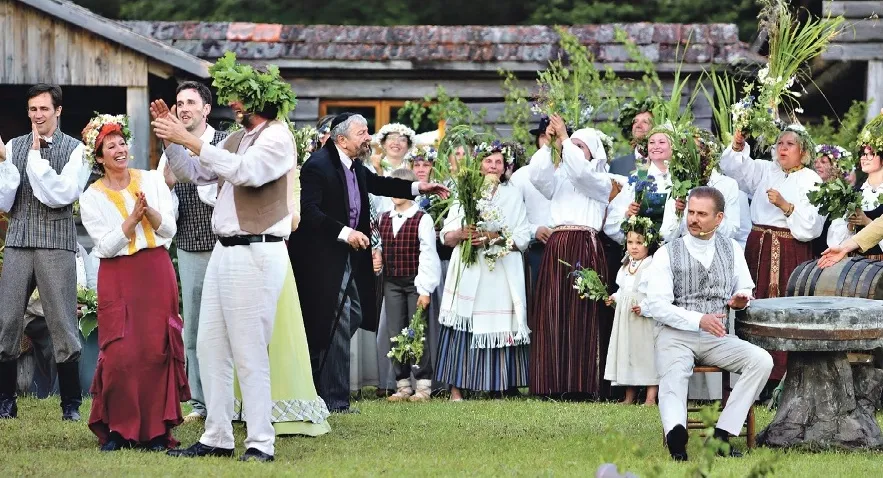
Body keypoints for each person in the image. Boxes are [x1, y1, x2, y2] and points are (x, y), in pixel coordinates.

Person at [152, 52, 299, 463]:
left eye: (238, 97)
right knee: (212, 345)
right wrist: (171, 137)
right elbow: (195, 172)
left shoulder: (276, 137)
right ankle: (217, 435)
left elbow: (245, 172)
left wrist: (192, 140)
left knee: (249, 349)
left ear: (261, 100)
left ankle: (260, 442)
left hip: (257, 250)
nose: (232, 103)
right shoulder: (237, 136)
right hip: (224, 250)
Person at [289, 113, 448, 413]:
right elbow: (308, 211)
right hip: (321, 260)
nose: (368, 138)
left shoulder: (356, 166)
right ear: (341, 139)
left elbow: (379, 183)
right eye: (362, 133)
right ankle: (334, 401)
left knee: (352, 316)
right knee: (336, 324)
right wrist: (345, 233)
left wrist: (418, 188)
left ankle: (320, 378)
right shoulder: (317, 165)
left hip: (348, 258)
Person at [78, 114, 188, 451]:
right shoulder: (91, 197)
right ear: (99, 157)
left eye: (122, 143)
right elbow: (105, 246)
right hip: (118, 275)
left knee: (156, 351)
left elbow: (168, 228)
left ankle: (156, 431)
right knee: (120, 353)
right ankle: (120, 430)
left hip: (155, 271)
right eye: (110, 146)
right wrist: (131, 220)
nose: (120, 150)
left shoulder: (151, 180)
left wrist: (149, 213)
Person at [639, 186, 773, 461]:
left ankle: (722, 434)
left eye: (702, 214)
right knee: (674, 374)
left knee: (761, 361)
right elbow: (658, 306)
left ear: (719, 218)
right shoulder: (667, 253)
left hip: (718, 337)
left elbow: (746, 288)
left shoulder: (732, 249)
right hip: (675, 335)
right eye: (691, 212)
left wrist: (741, 300)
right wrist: (699, 319)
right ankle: (676, 438)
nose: (693, 219)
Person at [0, 83, 89, 421]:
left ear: (58, 111)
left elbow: (61, 195)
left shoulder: (76, 149)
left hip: (56, 241)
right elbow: (5, 201)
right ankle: (6, 399)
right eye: (33, 109)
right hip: (20, 238)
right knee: (7, 319)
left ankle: (70, 404)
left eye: (44, 109)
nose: (38, 115)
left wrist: (35, 157)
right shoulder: (12, 146)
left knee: (63, 322)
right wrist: (4, 163)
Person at [720, 125, 824, 383]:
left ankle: (783, 376)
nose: (783, 148)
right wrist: (738, 143)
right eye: (780, 144)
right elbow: (735, 169)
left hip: (790, 247)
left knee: (785, 307)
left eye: (790, 144)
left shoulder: (811, 180)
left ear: (804, 151)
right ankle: (751, 370)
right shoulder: (767, 170)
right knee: (753, 300)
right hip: (759, 246)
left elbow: (812, 226)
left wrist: (785, 206)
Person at [157, 81, 228, 423]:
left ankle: (235, 400)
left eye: (190, 102)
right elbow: (163, 205)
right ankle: (201, 403)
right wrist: (168, 186)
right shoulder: (169, 151)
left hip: (226, 246)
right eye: (179, 103)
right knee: (196, 328)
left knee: (231, 325)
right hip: (189, 246)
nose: (183, 108)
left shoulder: (224, 142)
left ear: (206, 109)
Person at [527, 116, 614, 398]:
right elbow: (537, 176)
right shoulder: (561, 176)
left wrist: (565, 139)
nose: (572, 150)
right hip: (558, 244)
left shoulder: (600, 179)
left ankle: (582, 384)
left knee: (582, 314)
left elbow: (581, 174)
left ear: (592, 152)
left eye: (580, 146)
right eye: (572, 145)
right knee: (554, 311)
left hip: (584, 246)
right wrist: (550, 144)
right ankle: (552, 383)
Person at [437, 141, 531, 400]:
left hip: (499, 269)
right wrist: (461, 233)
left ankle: (497, 386)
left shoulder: (512, 194)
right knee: (462, 322)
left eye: (498, 162)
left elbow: (523, 236)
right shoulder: (466, 189)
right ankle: (456, 388)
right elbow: (446, 235)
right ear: (479, 163)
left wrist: (493, 236)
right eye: (488, 160)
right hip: (469, 266)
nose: (493, 165)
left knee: (497, 323)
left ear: (505, 167)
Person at [379, 168, 441, 401]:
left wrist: (424, 289)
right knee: (396, 332)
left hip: (415, 282)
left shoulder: (421, 218)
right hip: (392, 282)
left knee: (417, 332)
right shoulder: (384, 218)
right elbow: (380, 248)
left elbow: (428, 254)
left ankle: (423, 385)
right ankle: (402, 384)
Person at [604, 216, 659, 405]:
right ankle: (629, 396)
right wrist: (615, 298)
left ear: (648, 244)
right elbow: (624, 290)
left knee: (646, 354)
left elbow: (655, 293)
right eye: (630, 242)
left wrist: (644, 307)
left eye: (639, 243)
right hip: (626, 319)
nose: (634, 247)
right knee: (628, 353)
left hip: (643, 318)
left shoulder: (651, 265)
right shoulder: (627, 264)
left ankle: (651, 397)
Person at [510, 118, 554, 291]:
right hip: (535, 249)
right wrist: (534, 229)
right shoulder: (521, 176)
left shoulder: (572, 173)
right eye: (544, 136)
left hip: (569, 246)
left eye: (554, 136)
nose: (548, 141)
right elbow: (511, 218)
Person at [824, 145, 883, 259]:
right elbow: (835, 241)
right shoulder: (852, 193)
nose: (864, 158)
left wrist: (867, 222)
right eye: (863, 154)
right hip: (856, 266)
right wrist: (851, 225)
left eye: (871, 154)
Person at [608, 97, 656, 176]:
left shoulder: (665, 163)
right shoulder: (617, 165)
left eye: (645, 122)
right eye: (635, 121)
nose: (638, 125)